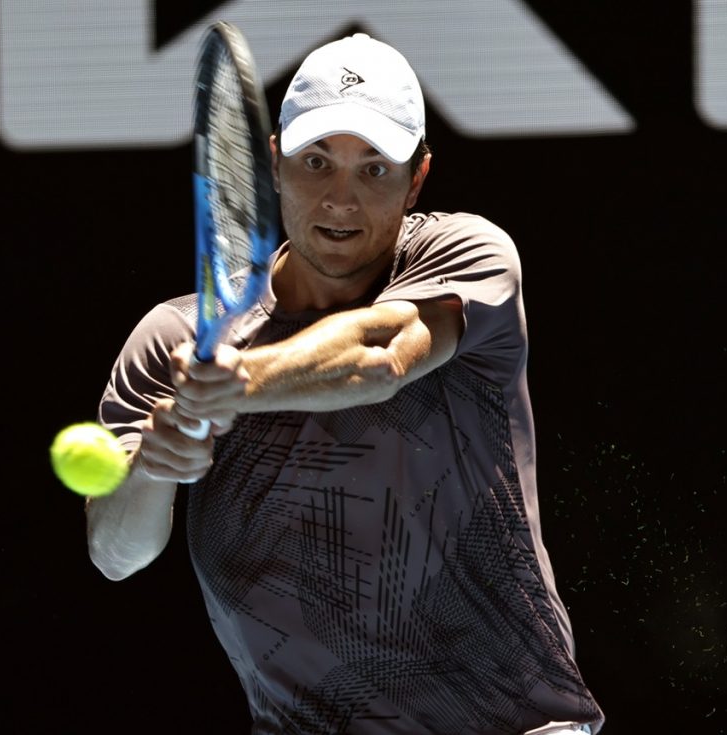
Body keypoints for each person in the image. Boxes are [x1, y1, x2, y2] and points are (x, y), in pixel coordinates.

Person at [87, 33, 604, 735]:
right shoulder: (172, 340)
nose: (341, 198)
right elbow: (116, 555)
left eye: (374, 169)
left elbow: (383, 353)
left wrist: (237, 385)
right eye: (316, 161)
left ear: (416, 178)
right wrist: (156, 456)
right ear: (272, 161)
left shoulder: (465, 255)